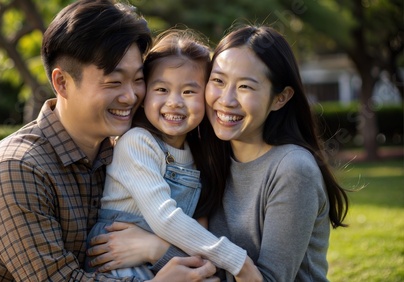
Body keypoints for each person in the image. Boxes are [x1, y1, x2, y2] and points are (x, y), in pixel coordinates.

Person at [0, 1, 219, 281]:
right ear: (62, 83)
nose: (130, 96)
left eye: (138, 79)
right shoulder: (18, 169)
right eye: (114, 82)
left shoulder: (115, 154)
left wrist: (156, 248)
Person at [87, 25, 350, 281]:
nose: (226, 99)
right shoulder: (211, 155)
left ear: (280, 98)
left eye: (245, 86)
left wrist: (153, 249)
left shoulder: (292, 169)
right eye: (218, 81)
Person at [84, 28, 261, 280]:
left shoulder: (199, 152)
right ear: (144, 95)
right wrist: (238, 261)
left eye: (189, 92)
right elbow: (165, 218)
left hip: (158, 259)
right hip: (118, 264)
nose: (175, 102)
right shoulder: (137, 143)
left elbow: (197, 228)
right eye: (162, 90)